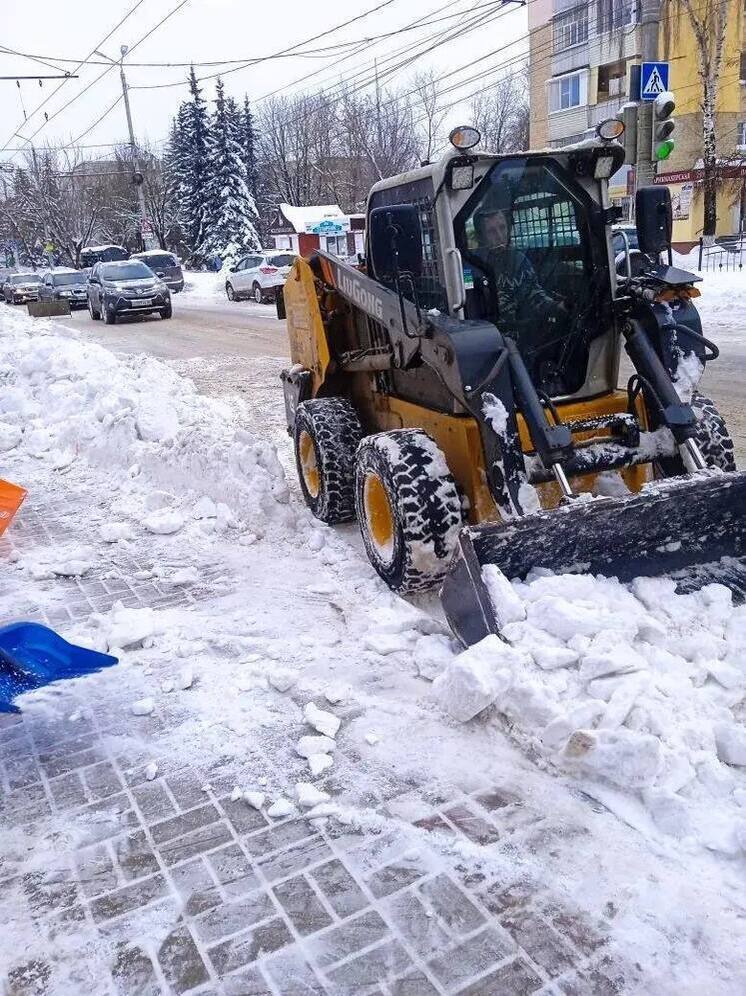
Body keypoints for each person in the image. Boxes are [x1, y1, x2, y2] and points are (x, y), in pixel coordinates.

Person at [474, 207, 567, 333]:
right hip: (481, 336)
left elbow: (535, 297)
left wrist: (558, 307)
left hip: (513, 335)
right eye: (491, 231)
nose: (500, 236)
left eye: (502, 228)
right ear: (481, 237)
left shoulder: (517, 261)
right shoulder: (471, 263)